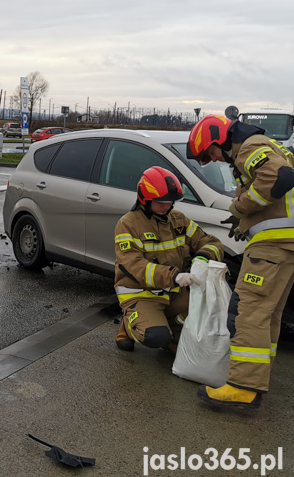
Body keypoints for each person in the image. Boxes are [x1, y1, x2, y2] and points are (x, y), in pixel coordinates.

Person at [187, 114, 294, 409]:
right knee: (268, 314)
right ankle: (257, 377)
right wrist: (242, 218)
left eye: (211, 153)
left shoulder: (248, 146)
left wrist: (240, 206)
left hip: (272, 246)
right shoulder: (266, 144)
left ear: (219, 139)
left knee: (248, 310)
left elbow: (279, 177)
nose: (215, 159)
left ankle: (242, 387)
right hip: (285, 245)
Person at [113, 166, 223, 355]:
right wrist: (174, 276)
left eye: (171, 202)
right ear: (145, 199)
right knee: (156, 336)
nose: (167, 206)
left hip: (173, 292)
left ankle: (169, 328)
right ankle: (129, 326)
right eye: (161, 202)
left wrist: (204, 256)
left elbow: (211, 242)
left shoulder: (178, 220)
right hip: (142, 294)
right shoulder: (128, 224)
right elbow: (134, 265)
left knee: (209, 310)